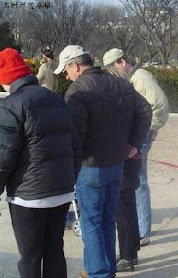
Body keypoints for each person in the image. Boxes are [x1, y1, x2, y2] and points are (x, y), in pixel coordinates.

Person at [54, 45, 152, 278]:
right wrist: (133, 143)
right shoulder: (119, 82)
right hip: (116, 164)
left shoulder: (78, 90)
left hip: (91, 166)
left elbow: (75, 135)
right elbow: (145, 110)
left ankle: (98, 272)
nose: (66, 77)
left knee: (92, 224)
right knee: (107, 221)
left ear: (75, 66)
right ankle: (103, 270)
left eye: (66, 71)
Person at [0, 48, 82, 278]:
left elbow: (4, 156)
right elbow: (76, 146)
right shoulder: (56, 99)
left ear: (6, 78)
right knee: (55, 251)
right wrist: (69, 180)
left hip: (28, 197)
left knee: (30, 257)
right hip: (61, 192)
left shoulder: (10, 105)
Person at [103, 48, 169, 248]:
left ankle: (142, 230)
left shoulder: (140, 78)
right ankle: (138, 227)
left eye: (113, 68)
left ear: (122, 61)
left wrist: (146, 131)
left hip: (141, 135)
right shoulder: (132, 79)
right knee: (134, 180)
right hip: (135, 134)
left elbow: (160, 105)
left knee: (138, 181)